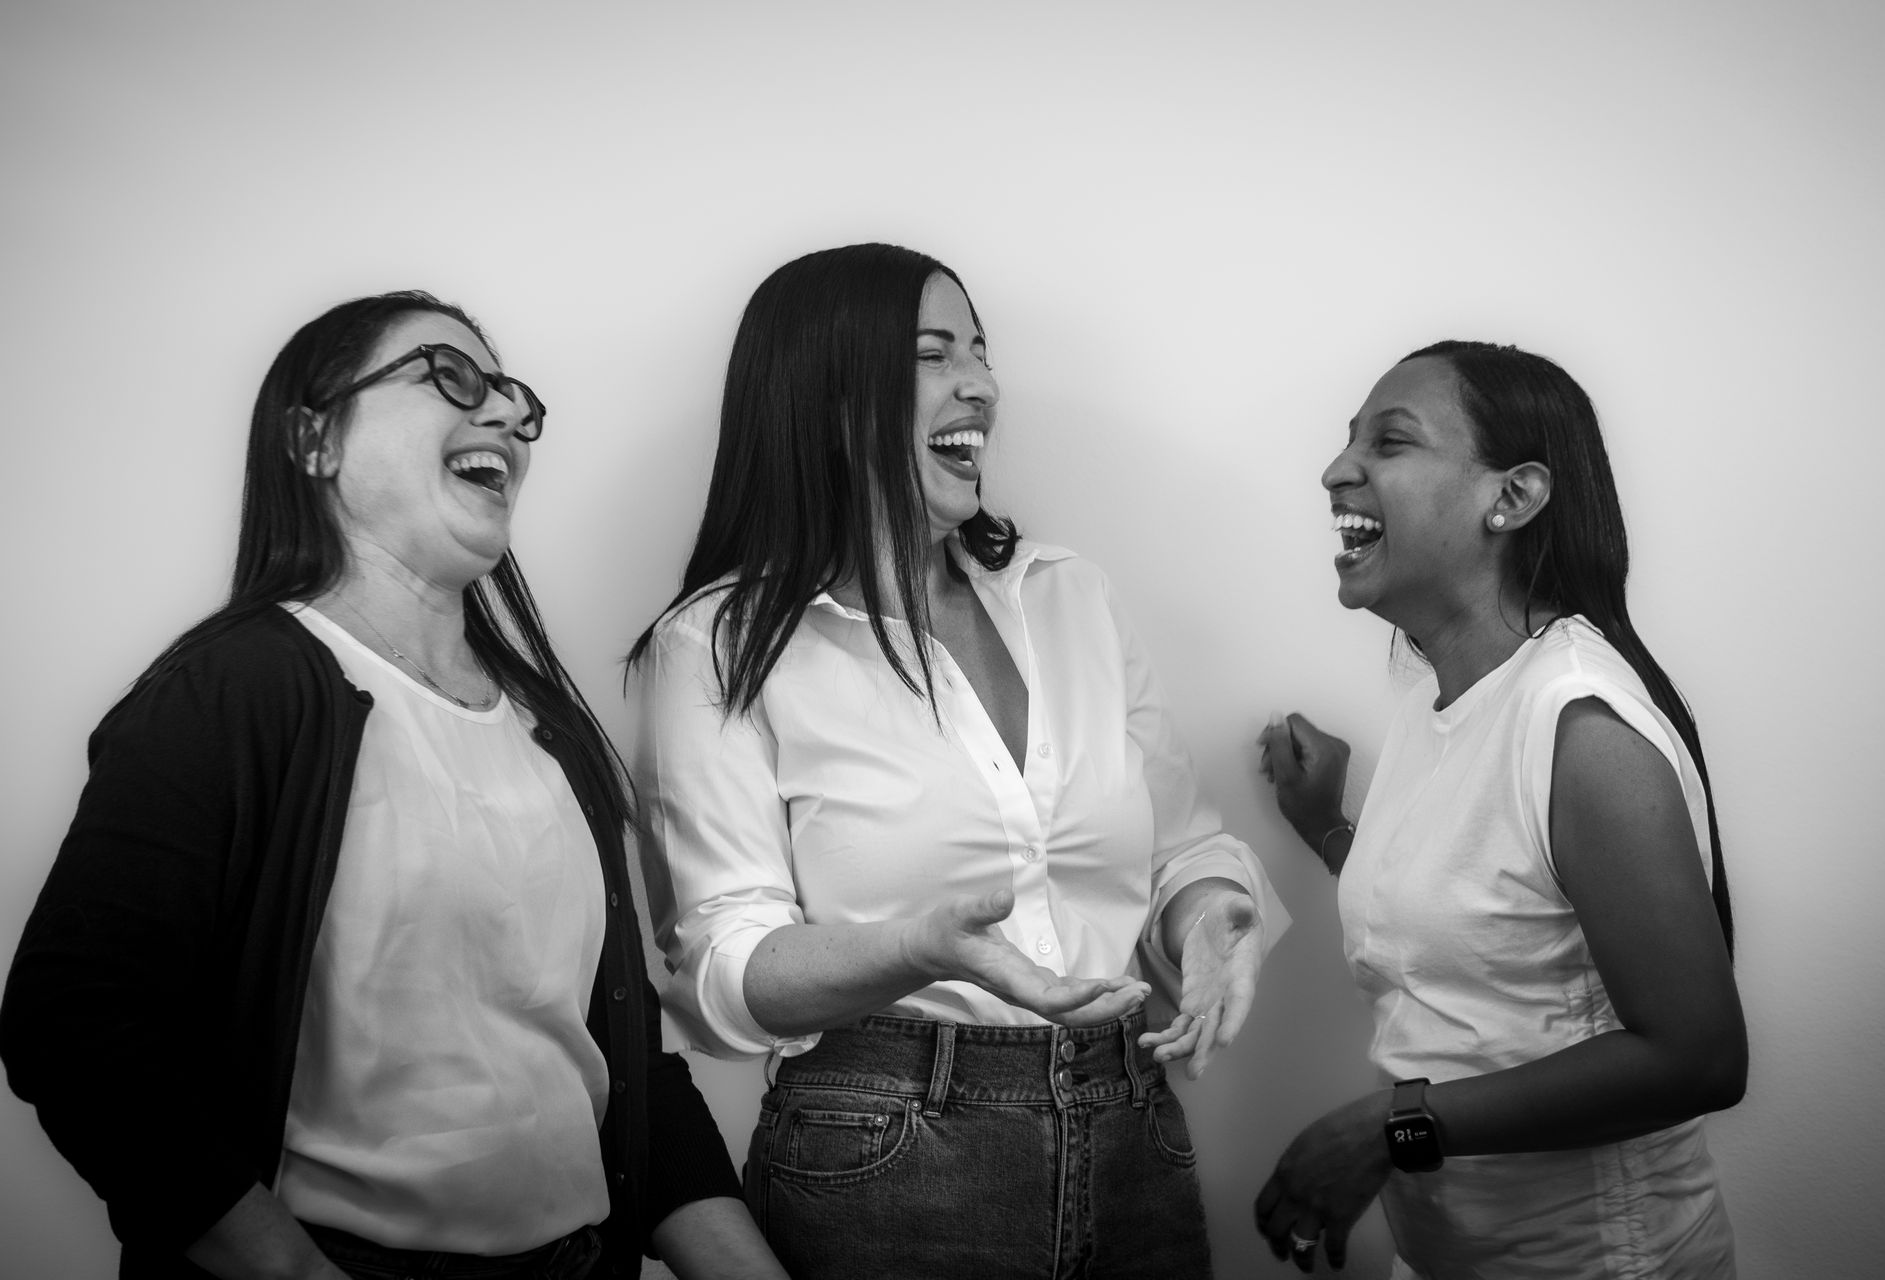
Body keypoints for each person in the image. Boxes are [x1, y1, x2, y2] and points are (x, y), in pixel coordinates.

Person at [1, 292, 786, 1280]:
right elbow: (74, 1022)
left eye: (515, 398)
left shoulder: (548, 727)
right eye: (450, 376)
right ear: (315, 439)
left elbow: (624, 1067)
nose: (508, 413)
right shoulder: (231, 693)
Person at [628, 243, 1286, 1278]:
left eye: (980, 352)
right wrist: (919, 946)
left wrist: (1209, 926)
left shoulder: (1071, 595)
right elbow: (720, 971)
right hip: (888, 1150)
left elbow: (1183, 851)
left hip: (1134, 1136)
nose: (980, 385)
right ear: (825, 400)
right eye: (933, 355)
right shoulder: (716, 645)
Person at [1253, 341, 1745, 1278]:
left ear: (1512, 498)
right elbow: (1473, 918)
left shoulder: (1582, 728)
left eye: (1389, 441)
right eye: (1349, 439)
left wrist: (1389, 1128)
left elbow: (1701, 1060)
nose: (1336, 470)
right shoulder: (1435, 692)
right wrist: (1327, 827)